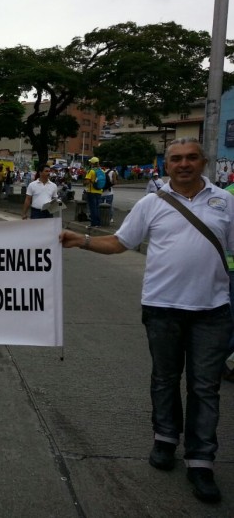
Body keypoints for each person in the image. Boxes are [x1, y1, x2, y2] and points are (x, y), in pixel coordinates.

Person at [60, 138, 234, 504]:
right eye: (175, 159)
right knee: (165, 379)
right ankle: (165, 439)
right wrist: (82, 241)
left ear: (203, 161)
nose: (183, 164)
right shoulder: (150, 203)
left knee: (204, 388)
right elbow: (120, 243)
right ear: (165, 165)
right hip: (162, 308)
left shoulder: (225, 202)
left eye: (190, 158)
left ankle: (201, 460)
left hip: (212, 311)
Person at [83, 157, 103, 227]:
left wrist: (85, 181)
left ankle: (93, 223)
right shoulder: (102, 171)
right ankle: (98, 223)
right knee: (97, 207)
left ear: (92, 163)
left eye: (90, 162)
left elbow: (87, 181)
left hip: (91, 191)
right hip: (99, 191)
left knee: (92, 208)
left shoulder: (91, 171)